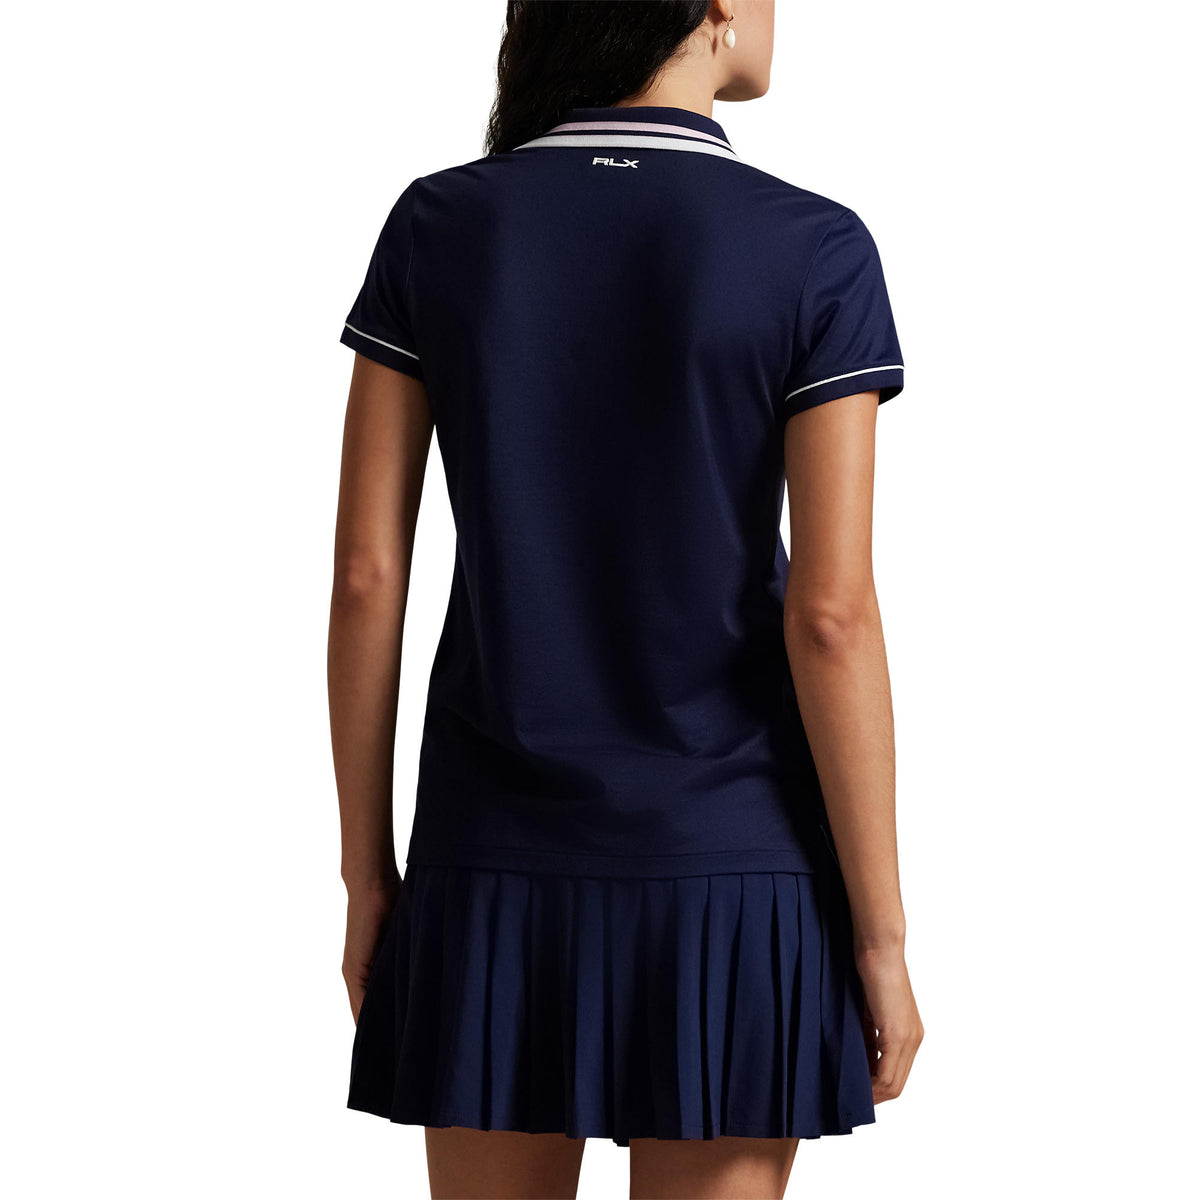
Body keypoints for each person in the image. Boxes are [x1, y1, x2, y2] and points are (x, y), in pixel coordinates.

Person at [327, 2, 923, 1196]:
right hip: (732, 870)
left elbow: (365, 577)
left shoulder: (441, 224)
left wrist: (367, 877)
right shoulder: (813, 247)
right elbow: (832, 617)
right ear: (714, 8)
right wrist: (882, 937)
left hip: (489, 863)